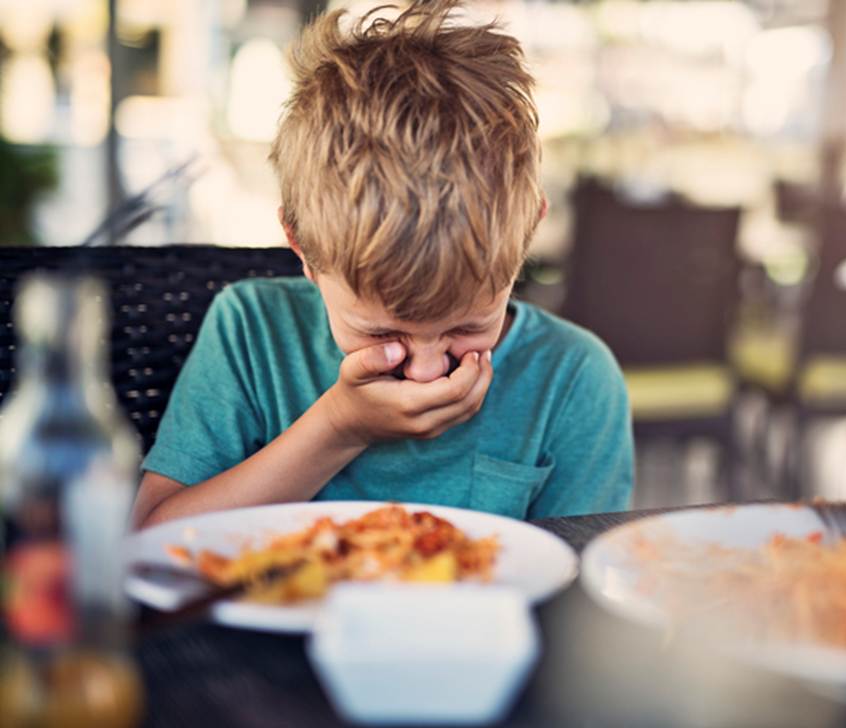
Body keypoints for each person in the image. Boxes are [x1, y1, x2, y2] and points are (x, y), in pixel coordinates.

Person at [131, 0, 633, 528]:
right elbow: (151, 537)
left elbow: (578, 597)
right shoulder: (252, 333)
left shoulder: (572, 379)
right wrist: (340, 427)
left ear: (528, 230)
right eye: (382, 332)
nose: (425, 370)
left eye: (466, 326)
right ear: (301, 246)